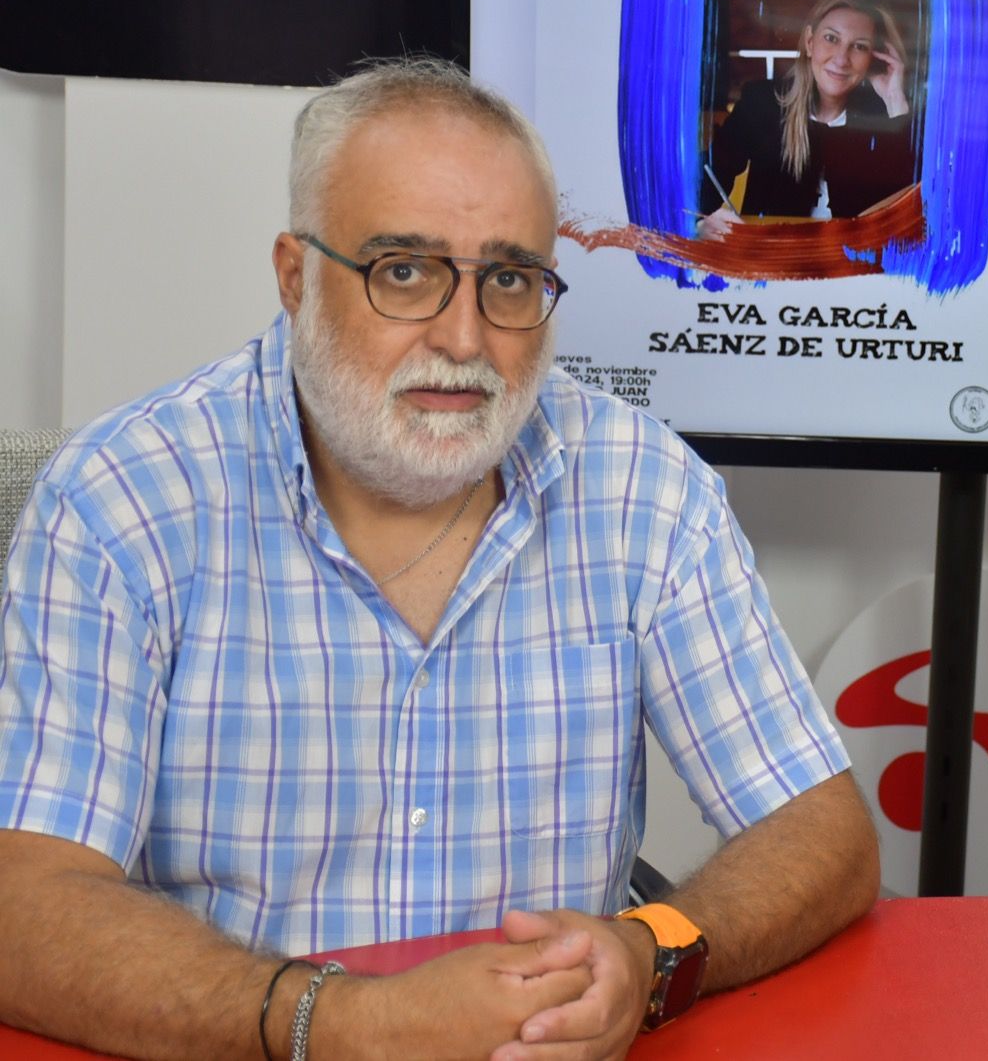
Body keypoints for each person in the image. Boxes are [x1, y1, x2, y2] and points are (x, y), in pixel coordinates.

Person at [0, 59, 879, 1060]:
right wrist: (346, 1024)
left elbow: (823, 829)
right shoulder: (125, 499)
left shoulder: (641, 488)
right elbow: (24, 906)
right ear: (295, 276)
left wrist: (653, 950)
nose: (464, 338)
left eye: (507, 278)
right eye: (403, 270)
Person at [697, 0, 917, 240]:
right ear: (810, 42)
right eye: (831, 38)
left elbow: (913, 207)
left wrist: (895, 101)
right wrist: (702, 219)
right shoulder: (762, 103)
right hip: (774, 259)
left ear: (873, 58)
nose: (842, 59)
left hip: (853, 266)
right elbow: (707, 176)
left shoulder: (881, 116)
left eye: (859, 46)